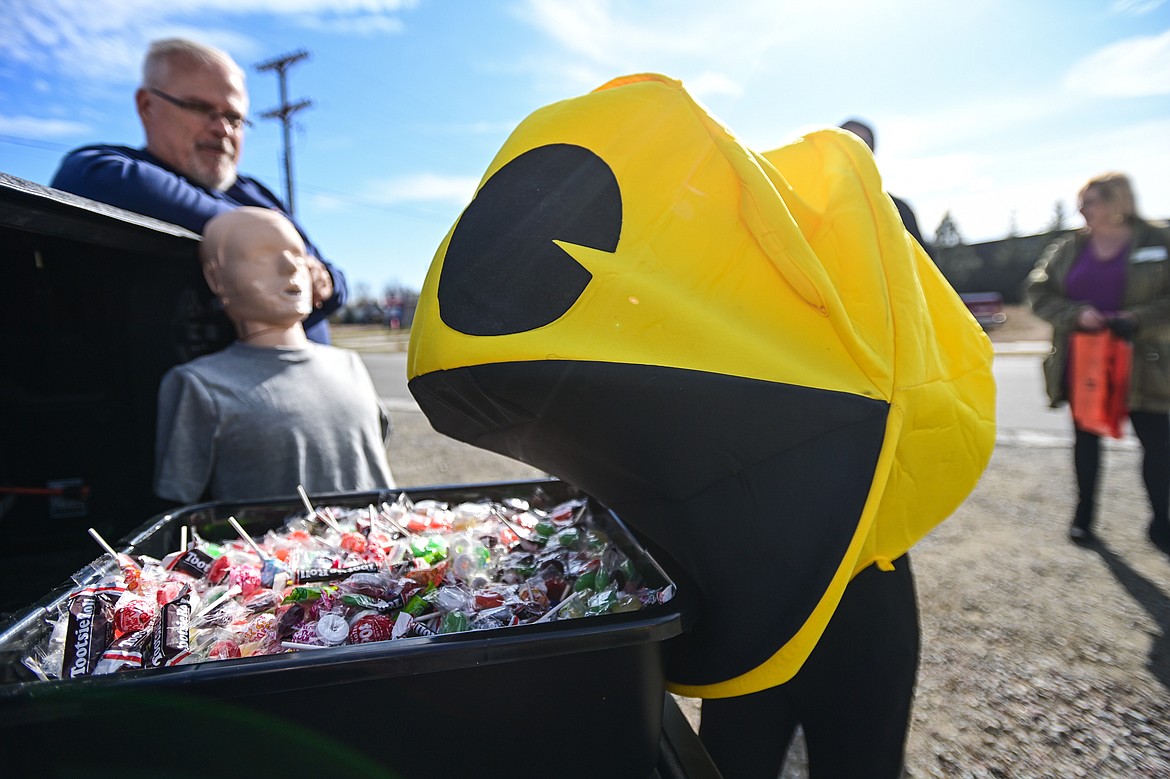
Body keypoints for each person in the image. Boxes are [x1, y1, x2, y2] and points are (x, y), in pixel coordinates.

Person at [49, 37, 345, 344]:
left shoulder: (257, 193)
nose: (223, 129)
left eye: (234, 117)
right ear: (147, 105)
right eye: (200, 107)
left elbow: (336, 281)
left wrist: (324, 280)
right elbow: (91, 177)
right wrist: (282, 247)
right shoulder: (106, 169)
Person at [154, 207, 394, 504]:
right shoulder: (199, 385)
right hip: (276, 549)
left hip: (379, 546)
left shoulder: (349, 365)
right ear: (216, 278)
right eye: (260, 256)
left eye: (298, 254)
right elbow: (177, 506)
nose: (289, 266)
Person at [1026, 172, 1170, 555]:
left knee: (1157, 444)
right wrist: (1075, 313)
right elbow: (1038, 292)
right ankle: (1083, 517)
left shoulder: (1159, 241)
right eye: (1081, 201)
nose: (1082, 209)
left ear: (1117, 202)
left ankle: (1162, 522)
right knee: (1086, 441)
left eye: (1091, 201)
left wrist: (1139, 317)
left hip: (1147, 362)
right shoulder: (1068, 247)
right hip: (1085, 360)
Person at [839, 118, 931, 257]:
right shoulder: (813, 205)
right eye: (846, 139)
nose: (854, 147)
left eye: (863, 142)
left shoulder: (898, 210)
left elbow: (922, 263)